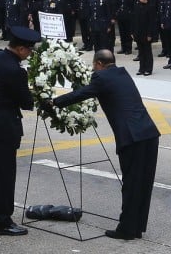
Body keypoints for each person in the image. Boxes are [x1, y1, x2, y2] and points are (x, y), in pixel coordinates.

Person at [52, 49, 160, 241]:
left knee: (131, 184)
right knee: (143, 184)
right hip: (149, 133)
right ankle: (136, 228)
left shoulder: (101, 77)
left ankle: (126, 230)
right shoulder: (122, 73)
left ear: (99, 63)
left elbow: (82, 94)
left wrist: (54, 102)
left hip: (132, 138)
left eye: (94, 65)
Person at [0, 24, 41, 236]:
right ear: (22, 49)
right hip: (5, 127)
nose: (29, 54)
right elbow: (25, 102)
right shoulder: (15, 70)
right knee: (5, 176)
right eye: (29, 51)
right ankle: (2, 221)